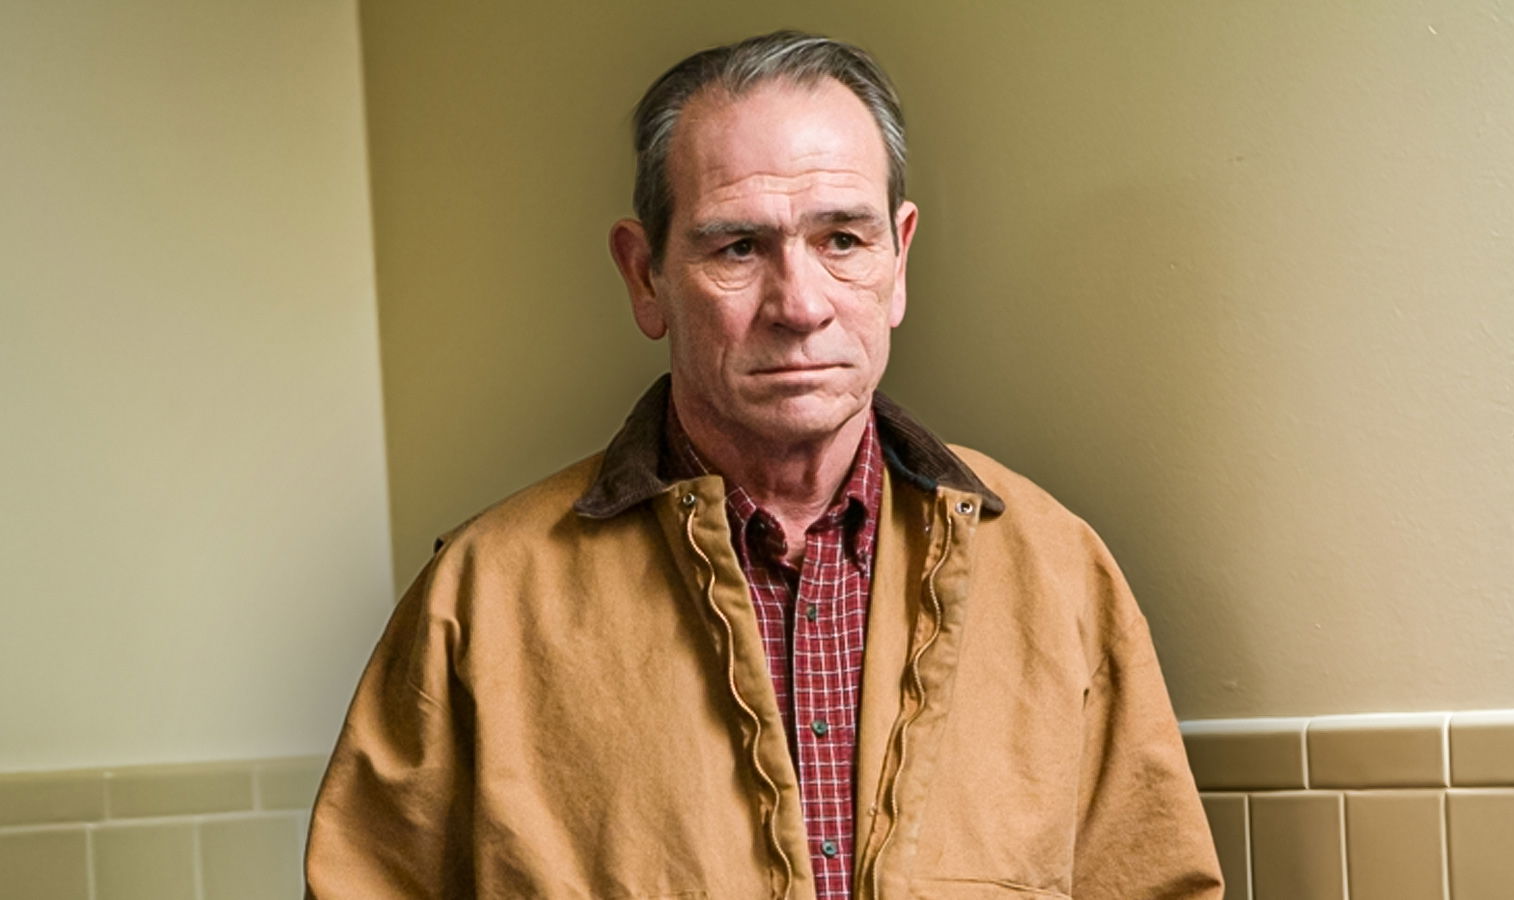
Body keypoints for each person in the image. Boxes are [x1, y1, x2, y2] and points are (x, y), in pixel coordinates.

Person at [306, 30, 1222, 900]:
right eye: (739, 247)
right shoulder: (482, 602)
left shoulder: (1058, 573)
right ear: (644, 276)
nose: (800, 304)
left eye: (842, 240)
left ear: (899, 259)